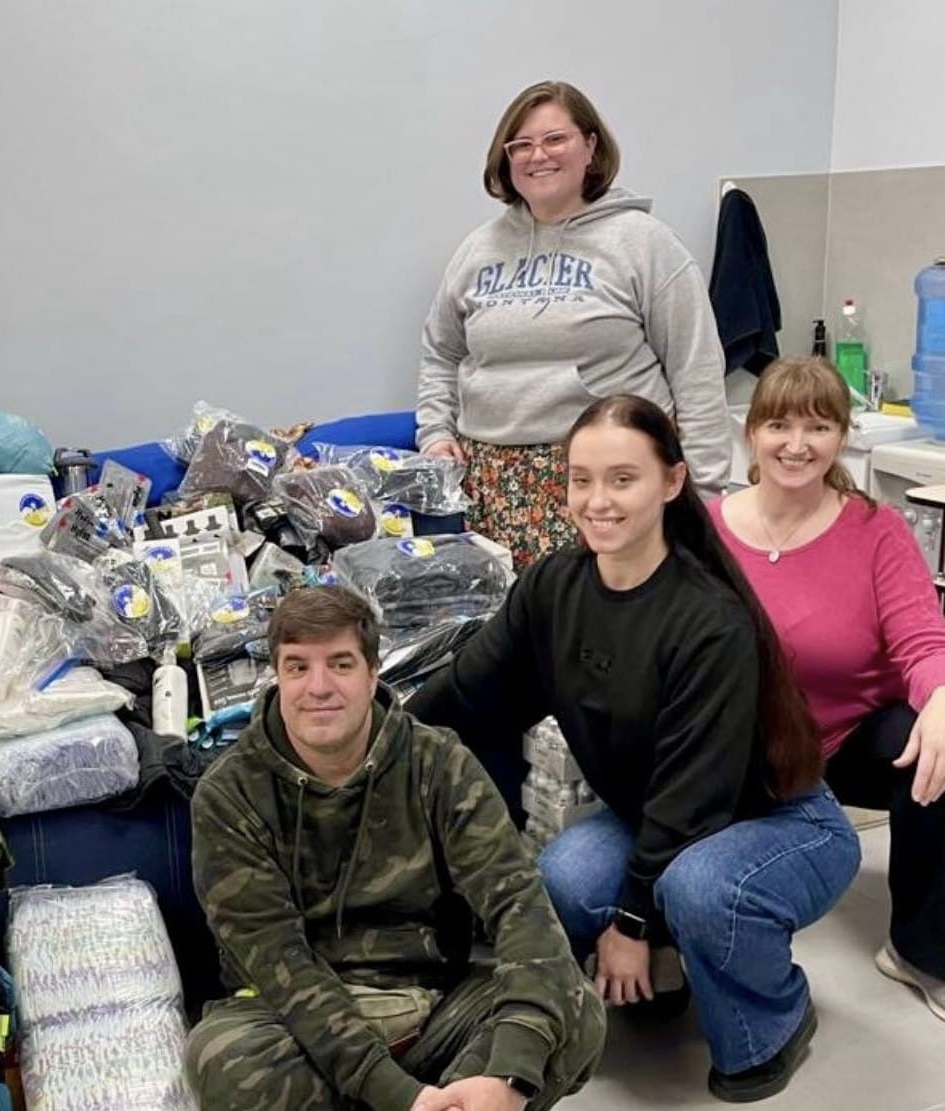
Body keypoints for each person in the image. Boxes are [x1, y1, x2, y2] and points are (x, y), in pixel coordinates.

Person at [413, 395, 858, 1102]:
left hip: (778, 821)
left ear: (672, 482)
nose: (597, 501)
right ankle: (670, 971)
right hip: (660, 815)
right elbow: (469, 693)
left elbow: (694, 795)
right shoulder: (554, 585)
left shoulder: (709, 620)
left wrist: (629, 921)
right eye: (581, 479)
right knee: (561, 874)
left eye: (623, 478)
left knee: (699, 889)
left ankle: (777, 1019)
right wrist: (373, 739)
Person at [184, 585, 605, 1111]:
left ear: (372, 674)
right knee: (224, 1061)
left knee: (575, 1009)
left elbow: (518, 905)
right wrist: (397, 1094)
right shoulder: (230, 794)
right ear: (277, 676)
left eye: (340, 664)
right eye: (297, 667)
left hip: (433, 1006)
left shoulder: (439, 764)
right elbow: (278, 963)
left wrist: (508, 1074)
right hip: (299, 1023)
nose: (318, 687)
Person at [711, 355, 945, 1022]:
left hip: (847, 740)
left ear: (842, 437)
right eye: (778, 423)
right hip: (744, 744)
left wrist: (943, 700)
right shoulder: (708, 528)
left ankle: (921, 950)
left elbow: (923, 643)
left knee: (935, 743)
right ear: (751, 433)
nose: (796, 443)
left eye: (818, 426)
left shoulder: (877, 531)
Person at [414, 80, 731, 569]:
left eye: (555, 139)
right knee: (518, 637)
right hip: (493, 489)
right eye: (521, 144)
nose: (538, 155)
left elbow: (697, 371)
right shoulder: (477, 250)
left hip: (610, 487)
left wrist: (704, 501)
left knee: (609, 634)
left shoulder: (644, 243)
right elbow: (441, 352)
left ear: (590, 145)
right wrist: (435, 432)